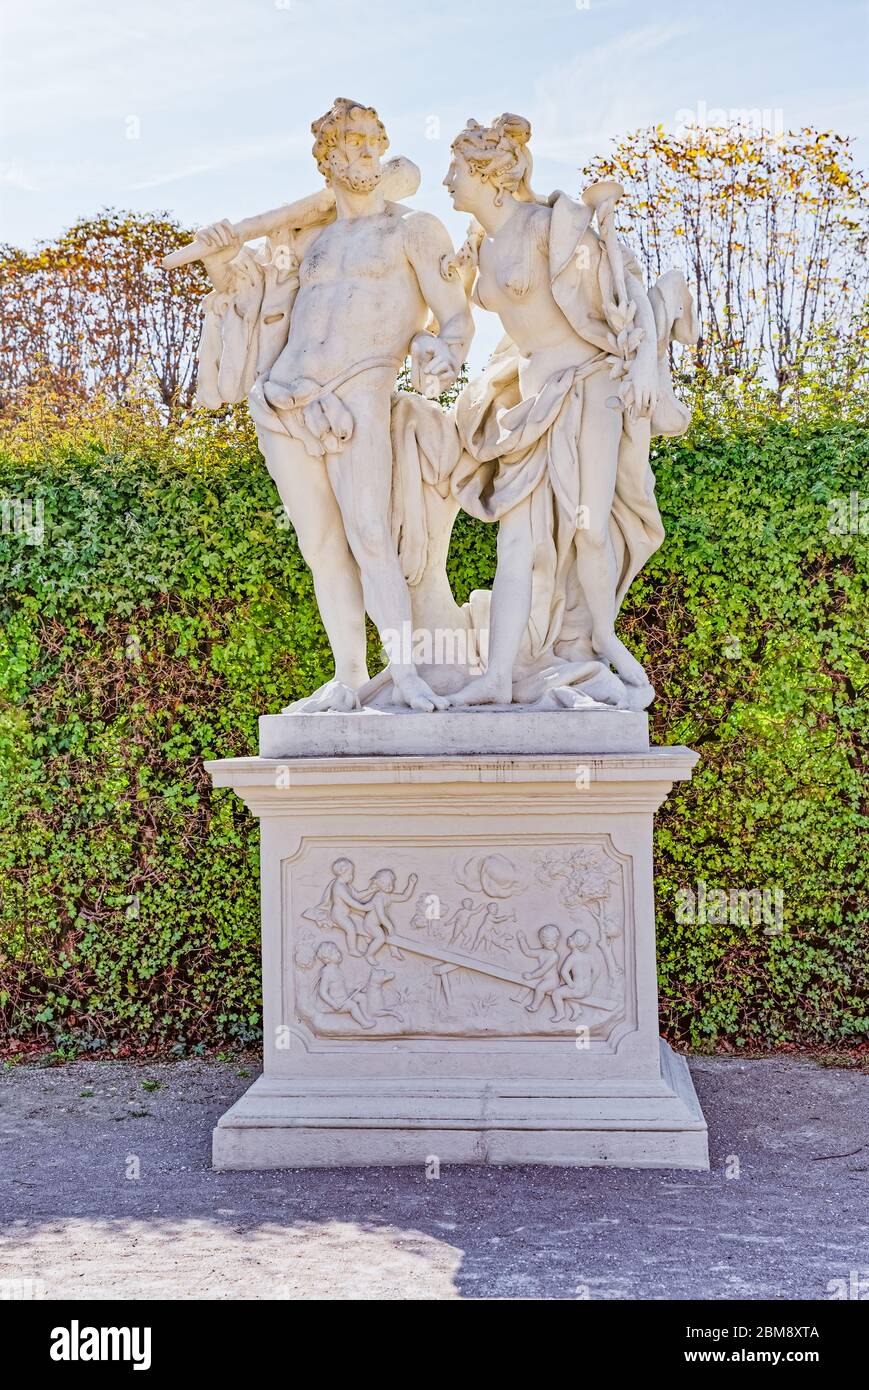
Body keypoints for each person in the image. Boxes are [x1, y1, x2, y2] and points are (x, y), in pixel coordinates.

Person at [194, 98, 473, 712]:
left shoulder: (413, 229)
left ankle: (405, 674)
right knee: (321, 546)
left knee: (371, 535)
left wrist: (443, 353)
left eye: (374, 139)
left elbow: (456, 317)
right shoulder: (308, 240)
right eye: (351, 143)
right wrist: (222, 265)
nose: (366, 150)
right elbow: (258, 300)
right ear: (328, 160)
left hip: (359, 393)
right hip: (283, 397)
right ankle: (350, 679)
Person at [443, 113, 698, 708]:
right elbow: (455, 317)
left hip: (591, 387)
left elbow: (622, 286)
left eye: (457, 168)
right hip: (534, 400)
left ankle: (604, 637)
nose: (447, 179)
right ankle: (498, 677)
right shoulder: (479, 247)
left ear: (489, 175)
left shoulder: (550, 227)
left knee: (587, 526)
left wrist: (640, 366)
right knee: (516, 542)